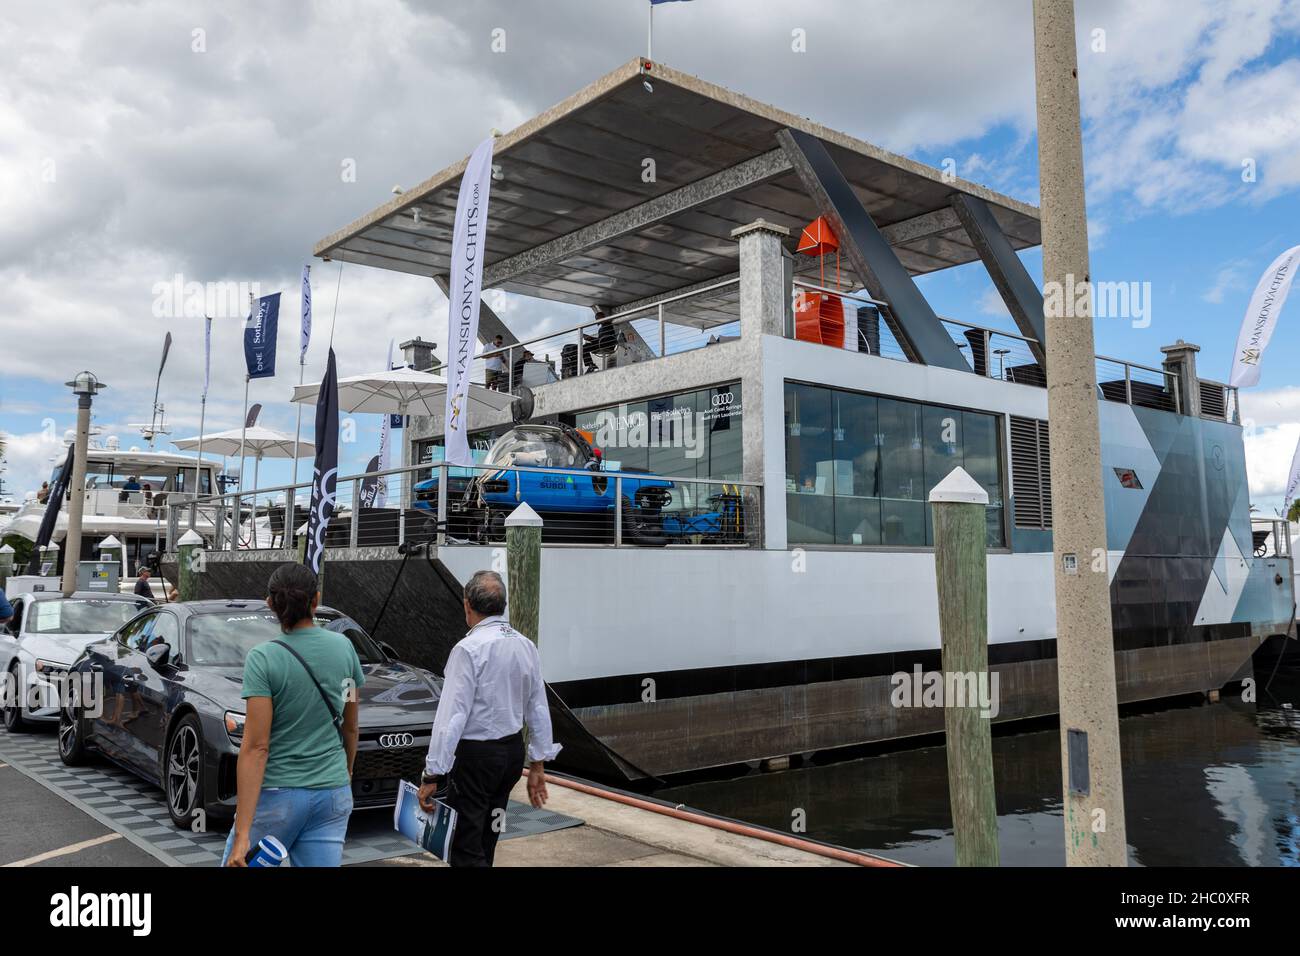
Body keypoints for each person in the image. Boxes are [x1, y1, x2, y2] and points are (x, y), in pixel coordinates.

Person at [223, 563, 365, 867]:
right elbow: (351, 726)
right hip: (332, 793)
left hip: (278, 796)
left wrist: (242, 834)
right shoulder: (344, 649)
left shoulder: (263, 659)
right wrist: (346, 773)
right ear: (315, 600)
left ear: (270, 604)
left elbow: (256, 747)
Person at [418, 570, 559, 867]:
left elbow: (451, 717)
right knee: (490, 832)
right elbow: (537, 705)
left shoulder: (467, 649)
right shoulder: (525, 645)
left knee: (466, 843)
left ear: (467, 604)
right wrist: (537, 762)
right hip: (510, 754)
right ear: (503, 605)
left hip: (476, 758)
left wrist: (432, 774)